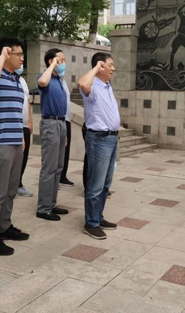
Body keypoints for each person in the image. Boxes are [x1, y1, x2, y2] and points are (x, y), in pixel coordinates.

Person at [0, 38, 29, 256]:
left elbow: (16, 113)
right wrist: (1, 56)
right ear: (7, 53)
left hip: (15, 141)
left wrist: (21, 138)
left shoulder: (16, 80)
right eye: (18, 54)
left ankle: (4, 227)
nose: (22, 58)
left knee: (10, 190)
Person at [78, 52, 120, 239]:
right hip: (99, 139)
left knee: (105, 184)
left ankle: (98, 216)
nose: (113, 69)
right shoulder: (92, 85)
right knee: (95, 184)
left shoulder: (107, 86)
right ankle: (91, 223)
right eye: (110, 65)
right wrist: (96, 68)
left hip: (112, 139)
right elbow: (82, 84)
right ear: (101, 65)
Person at [36, 48, 69, 221]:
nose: (63, 63)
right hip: (50, 124)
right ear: (51, 61)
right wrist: (52, 66)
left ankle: (52, 203)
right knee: (49, 167)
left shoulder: (59, 80)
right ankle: (43, 208)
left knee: (58, 167)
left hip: (61, 123)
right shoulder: (45, 77)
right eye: (60, 60)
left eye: (64, 60)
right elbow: (42, 82)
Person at [16, 64, 34, 197]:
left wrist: (30, 121)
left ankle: (18, 183)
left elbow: (27, 102)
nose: (21, 61)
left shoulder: (22, 80)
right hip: (14, 125)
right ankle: (12, 184)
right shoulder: (5, 79)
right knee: (15, 157)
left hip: (25, 124)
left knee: (24, 156)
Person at [59, 62, 75, 188]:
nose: (63, 65)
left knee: (66, 150)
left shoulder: (63, 81)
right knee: (56, 152)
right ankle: (54, 178)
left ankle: (62, 176)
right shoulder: (50, 80)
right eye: (60, 61)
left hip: (67, 120)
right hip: (58, 121)